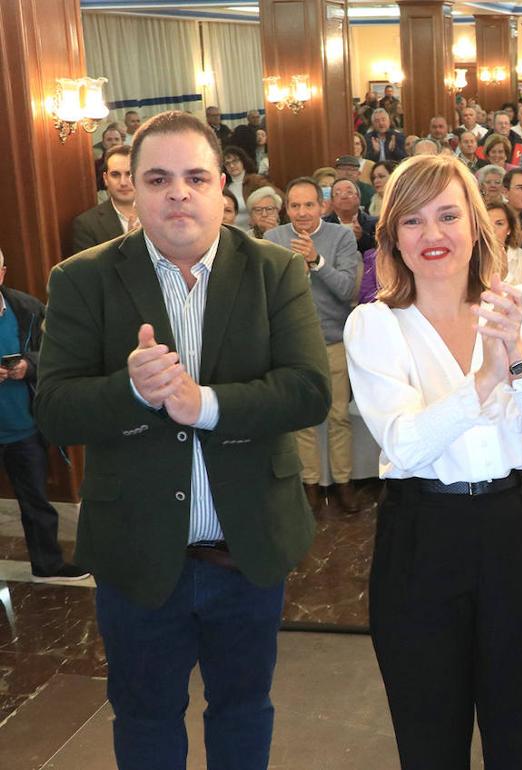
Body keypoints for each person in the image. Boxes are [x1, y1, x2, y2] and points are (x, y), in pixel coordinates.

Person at [35, 110, 331, 769]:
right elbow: (53, 409)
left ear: (222, 187)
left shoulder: (275, 271)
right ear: (131, 189)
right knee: (144, 718)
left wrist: (206, 405)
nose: (177, 192)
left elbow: (310, 390)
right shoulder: (81, 278)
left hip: (246, 551)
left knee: (243, 712)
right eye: (158, 178)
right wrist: (132, 392)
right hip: (138, 556)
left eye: (195, 177)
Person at [344, 153, 522, 770]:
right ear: (392, 235)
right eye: (413, 222)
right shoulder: (376, 323)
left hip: (508, 527)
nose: (433, 235)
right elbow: (407, 445)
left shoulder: (515, 304)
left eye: (448, 215)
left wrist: (518, 359)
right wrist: (484, 381)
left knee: (516, 725)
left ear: (476, 224)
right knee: (429, 738)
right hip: (421, 535)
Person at [265, 177, 362, 511]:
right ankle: (309, 485)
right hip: (293, 346)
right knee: (302, 420)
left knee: (338, 417)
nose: (302, 212)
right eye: (295, 205)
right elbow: (270, 294)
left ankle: (344, 483)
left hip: (334, 339)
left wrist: (317, 261)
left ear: (323, 206)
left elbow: (348, 290)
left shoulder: (341, 237)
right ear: (286, 208)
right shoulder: (272, 239)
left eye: (309, 205)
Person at [0, 246, 88, 582]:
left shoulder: (27, 308)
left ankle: (47, 564)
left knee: (36, 502)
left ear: (3, 273)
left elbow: (54, 352)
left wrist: (28, 365)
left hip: (23, 426)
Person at [72, 144, 136, 252]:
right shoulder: (87, 224)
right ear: (106, 179)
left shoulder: (162, 214)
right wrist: (131, 243)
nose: (123, 182)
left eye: (129, 174)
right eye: (115, 175)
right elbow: (90, 269)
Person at [487, 200, 522, 296]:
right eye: (486, 223)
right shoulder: (469, 258)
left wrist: (506, 277)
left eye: (499, 224)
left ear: (509, 229)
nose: (492, 229)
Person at [324, 177, 378, 255]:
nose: (344, 196)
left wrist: (362, 237)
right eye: (338, 193)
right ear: (332, 201)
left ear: (359, 198)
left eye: (349, 192)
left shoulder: (375, 223)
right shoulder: (323, 225)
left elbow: (382, 251)